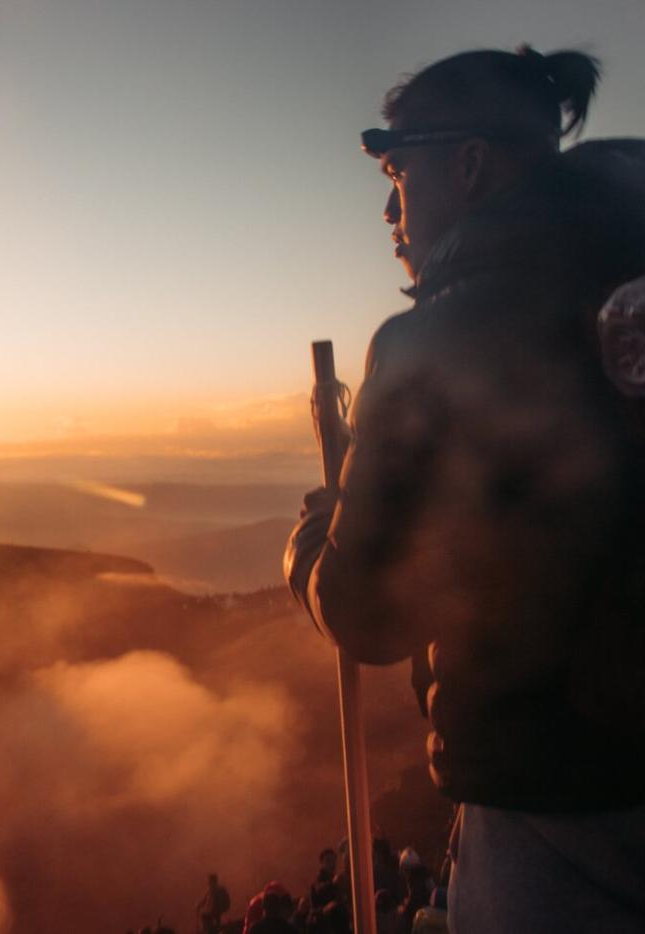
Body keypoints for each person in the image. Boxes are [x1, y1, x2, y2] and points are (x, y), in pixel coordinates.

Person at [285, 45, 645, 933]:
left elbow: (370, 612)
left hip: (555, 815)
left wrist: (311, 545)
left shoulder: (438, 340)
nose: (389, 209)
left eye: (397, 173)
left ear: (469, 164)